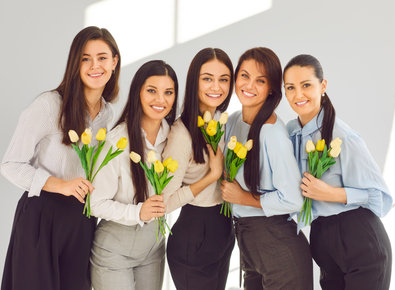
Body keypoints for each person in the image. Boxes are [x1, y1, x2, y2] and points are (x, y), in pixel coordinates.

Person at [1, 26, 120, 290]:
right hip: (41, 218)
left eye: (102, 57)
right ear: (74, 63)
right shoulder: (49, 105)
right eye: (85, 58)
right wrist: (61, 185)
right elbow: (9, 165)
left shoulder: (108, 115)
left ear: (114, 61)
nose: (94, 66)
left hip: (82, 220)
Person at [283, 54, 392, 290]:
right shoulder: (292, 133)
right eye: (290, 87)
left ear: (323, 86)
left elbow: (378, 195)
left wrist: (330, 193)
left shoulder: (342, 136)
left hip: (359, 239)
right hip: (322, 240)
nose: (298, 95)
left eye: (306, 85)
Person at [220, 47, 313, 290]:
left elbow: (293, 199)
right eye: (244, 75)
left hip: (278, 246)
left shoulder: (271, 133)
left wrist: (243, 198)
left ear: (271, 88)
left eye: (260, 80)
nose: (249, 85)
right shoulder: (233, 121)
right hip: (250, 245)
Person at [89, 60, 178, 290]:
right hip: (114, 251)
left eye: (168, 92)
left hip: (154, 249)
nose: (161, 100)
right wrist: (138, 211)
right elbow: (95, 203)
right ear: (138, 92)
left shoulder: (175, 138)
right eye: (152, 91)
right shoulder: (117, 142)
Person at [162, 48, 235, 290]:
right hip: (194, 236)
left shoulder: (224, 123)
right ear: (194, 81)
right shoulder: (181, 133)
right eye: (207, 78)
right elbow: (166, 202)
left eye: (223, 79)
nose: (216, 87)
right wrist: (212, 175)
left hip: (224, 229)